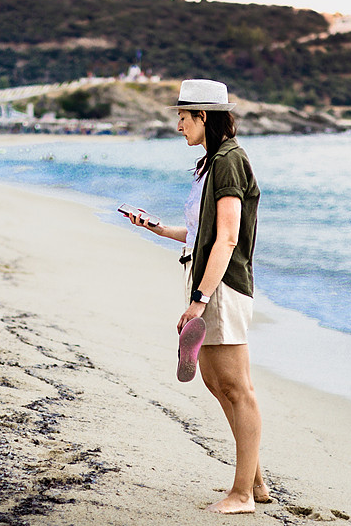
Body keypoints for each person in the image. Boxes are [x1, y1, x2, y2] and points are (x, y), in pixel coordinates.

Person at [124, 79, 266, 514]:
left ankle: (242, 494)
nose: (179, 125)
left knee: (236, 387)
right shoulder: (213, 162)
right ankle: (256, 482)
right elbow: (203, 232)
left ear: (204, 116)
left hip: (221, 285)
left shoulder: (229, 160)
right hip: (206, 279)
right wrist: (157, 228)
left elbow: (226, 239)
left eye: (183, 117)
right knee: (214, 381)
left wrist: (200, 300)